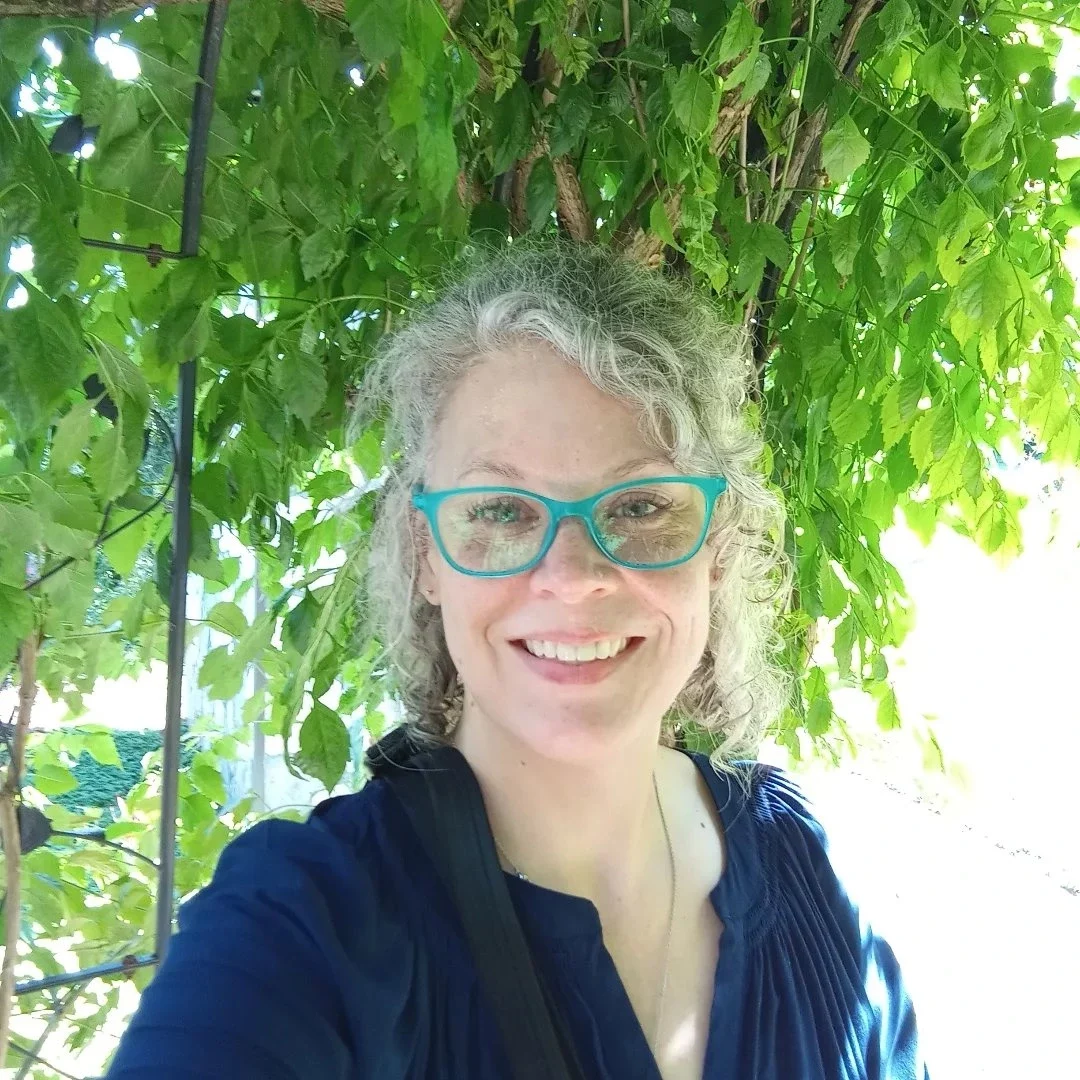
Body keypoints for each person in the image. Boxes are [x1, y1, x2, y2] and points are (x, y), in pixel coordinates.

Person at [105, 241, 930, 1079]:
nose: (571, 577)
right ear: (427, 554)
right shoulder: (307, 924)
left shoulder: (797, 862)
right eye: (500, 510)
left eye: (642, 506)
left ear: (717, 546)